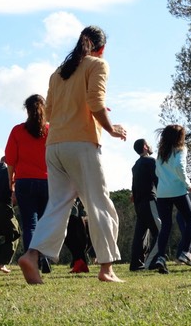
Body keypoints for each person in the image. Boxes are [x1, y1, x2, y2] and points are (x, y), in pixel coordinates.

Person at [18, 25, 127, 283]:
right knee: (100, 205)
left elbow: (50, 114)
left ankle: (32, 255)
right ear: (102, 47)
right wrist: (111, 128)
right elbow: (95, 102)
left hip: (54, 147)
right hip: (81, 145)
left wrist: (76, 108)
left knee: (57, 207)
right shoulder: (98, 65)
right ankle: (106, 269)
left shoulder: (57, 74)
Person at [5, 94, 51, 273]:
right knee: (45, 222)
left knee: (30, 224)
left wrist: (11, 181)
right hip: (47, 181)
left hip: (24, 181)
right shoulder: (50, 130)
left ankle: (32, 258)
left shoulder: (17, 131)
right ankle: (45, 256)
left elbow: (10, 159)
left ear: (26, 109)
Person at [152, 124, 191, 274]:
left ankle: (161, 257)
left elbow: (157, 172)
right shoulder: (181, 150)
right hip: (178, 190)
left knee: (166, 225)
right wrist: (188, 184)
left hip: (162, 193)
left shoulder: (161, 152)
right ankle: (186, 252)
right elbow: (179, 166)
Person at [129, 138, 160, 271]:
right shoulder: (151, 161)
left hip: (139, 204)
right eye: (148, 144)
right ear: (145, 147)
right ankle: (152, 261)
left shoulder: (135, 165)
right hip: (149, 201)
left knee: (140, 235)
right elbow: (158, 180)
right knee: (161, 231)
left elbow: (134, 187)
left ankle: (136, 263)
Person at [65, 198, 91, 273]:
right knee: (74, 236)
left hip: (69, 206)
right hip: (75, 206)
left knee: (69, 235)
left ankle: (79, 261)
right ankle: (81, 262)